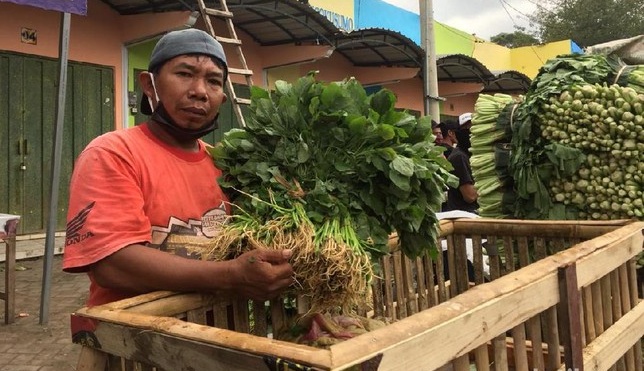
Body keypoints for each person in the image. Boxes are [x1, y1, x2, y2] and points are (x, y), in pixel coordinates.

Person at [62, 28, 294, 308]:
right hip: (130, 340)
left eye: (213, 81)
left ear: (222, 97)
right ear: (149, 85)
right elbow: (111, 265)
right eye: (184, 74)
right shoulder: (112, 153)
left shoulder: (228, 165)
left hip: (216, 335)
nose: (199, 92)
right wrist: (231, 275)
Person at [440, 113, 478, 213]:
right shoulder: (459, 157)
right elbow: (470, 196)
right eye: (467, 127)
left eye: (474, 126)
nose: (471, 130)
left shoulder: (471, 154)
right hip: (465, 217)